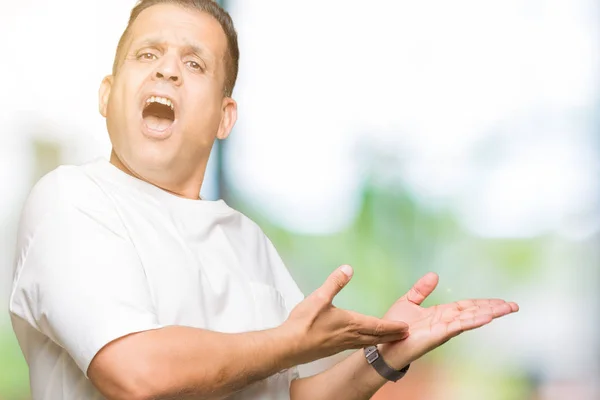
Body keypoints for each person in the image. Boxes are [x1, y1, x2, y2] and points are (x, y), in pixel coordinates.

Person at [8, 1, 519, 399]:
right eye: (148, 54)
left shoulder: (247, 241)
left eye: (194, 62)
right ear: (107, 94)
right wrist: (289, 342)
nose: (167, 71)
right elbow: (134, 371)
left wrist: (385, 357)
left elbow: (294, 394)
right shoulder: (71, 198)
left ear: (224, 117)